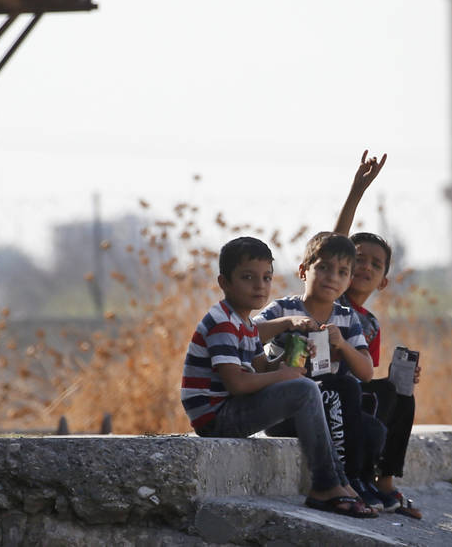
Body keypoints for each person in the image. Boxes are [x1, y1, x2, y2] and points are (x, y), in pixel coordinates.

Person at [181, 236, 375, 518]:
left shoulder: (243, 321)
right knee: (306, 390)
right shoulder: (223, 321)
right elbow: (237, 384)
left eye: (266, 277)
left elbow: (262, 369)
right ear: (224, 283)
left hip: (230, 409)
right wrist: (285, 376)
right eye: (248, 277)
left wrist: (289, 361)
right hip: (215, 417)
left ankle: (341, 482)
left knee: (306, 387)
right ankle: (324, 485)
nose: (259, 286)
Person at [253, 232, 388, 509]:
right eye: (323, 267)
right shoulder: (283, 308)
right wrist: (287, 325)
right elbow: (247, 334)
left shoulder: (347, 318)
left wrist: (342, 345)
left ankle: (360, 482)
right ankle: (345, 481)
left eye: (342, 272)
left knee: (373, 429)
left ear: (348, 280)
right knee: (344, 390)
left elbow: (366, 372)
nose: (332, 277)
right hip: (287, 409)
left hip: (329, 408)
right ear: (304, 271)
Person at [334, 151, 424, 519]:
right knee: (383, 391)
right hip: (328, 393)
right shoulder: (332, 299)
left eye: (375, 264)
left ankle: (385, 484)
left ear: (384, 281)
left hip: (355, 391)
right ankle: (358, 478)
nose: (364, 267)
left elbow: (365, 369)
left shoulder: (369, 322)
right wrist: (357, 192)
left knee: (401, 393)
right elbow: (335, 241)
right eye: (357, 259)